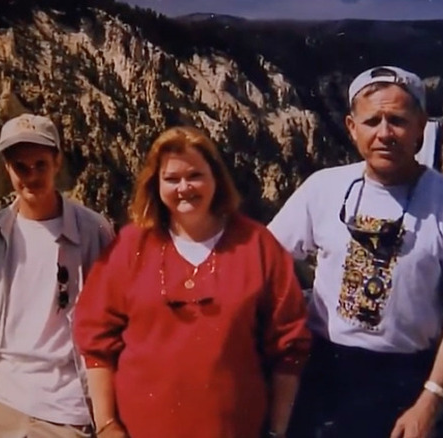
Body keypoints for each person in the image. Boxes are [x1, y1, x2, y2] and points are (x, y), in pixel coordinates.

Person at [268, 66, 443, 438]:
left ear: (421, 126)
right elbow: (265, 262)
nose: (384, 133)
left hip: (403, 382)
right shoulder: (322, 188)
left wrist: (429, 403)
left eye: (398, 120)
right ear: (352, 128)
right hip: (322, 373)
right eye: (372, 121)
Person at [73, 126, 311, 438]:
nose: (184, 187)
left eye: (195, 175)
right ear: (155, 184)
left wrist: (277, 432)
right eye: (172, 179)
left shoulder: (257, 245)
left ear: (216, 178)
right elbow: (95, 337)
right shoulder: (131, 246)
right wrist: (106, 424)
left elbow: (289, 346)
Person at [0, 113, 115, 438]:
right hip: (1, 403)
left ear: (57, 161)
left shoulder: (94, 232)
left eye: (40, 165)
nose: (31, 176)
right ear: (7, 168)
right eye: (20, 167)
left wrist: (107, 417)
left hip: (66, 409)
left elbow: (110, 326)